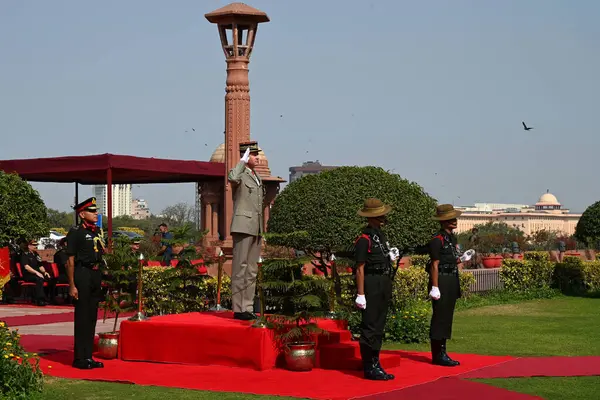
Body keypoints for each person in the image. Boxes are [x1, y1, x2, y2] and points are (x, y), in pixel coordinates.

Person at [354, 198, 399, 381]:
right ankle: (368, 366)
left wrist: (390, 257)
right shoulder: (364, 240)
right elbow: (360, 268)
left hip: (383, 280)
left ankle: (375, 360)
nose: (383, 219)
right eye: (379, 216)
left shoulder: (379, 236)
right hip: (371, 282)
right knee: (370, 325)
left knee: (379, 324)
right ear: (371, 218)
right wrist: (361, 293)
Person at [66, 197, 106, 370]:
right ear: (82, 214)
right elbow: (70, 260)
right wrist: (72, 284)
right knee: (82, 316)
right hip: (82, 273)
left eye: (96, 211)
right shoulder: (76, 232)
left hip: (95, 274)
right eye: (92, 211)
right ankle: (79, 358)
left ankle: (88, 356)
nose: (96, 213)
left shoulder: (97, 231)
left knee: (91, 316)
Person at [228, 141, 263, 321]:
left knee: (251, 269)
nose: (258, 158)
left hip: (256, 228)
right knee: (239, 268)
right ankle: (238, 307)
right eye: (254, 154)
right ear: (246, 155)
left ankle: (248, 306)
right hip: (242, 226)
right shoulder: (240, 174)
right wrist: (241, 161)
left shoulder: (257, 176)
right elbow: (232, 177)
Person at [428, 204, 463, 367]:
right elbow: (434, 264)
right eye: (450, 218)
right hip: (440, 278)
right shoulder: (437, 240)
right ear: (443, 221)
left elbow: (452, 259)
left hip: (451, 277)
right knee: (440, 317)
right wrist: (435, 286)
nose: (454, 221)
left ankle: (443, 351)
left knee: (447, 316)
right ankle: (437, 354)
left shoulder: (451, 239)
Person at [20, 239, 50, 306]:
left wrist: (45, 272)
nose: (36, 246)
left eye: (36, 245)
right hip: (28, 274)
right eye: (34, 245)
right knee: (39, 279)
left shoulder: (36, 254)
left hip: (37, 273)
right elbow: (26, 267)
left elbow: (40, 265)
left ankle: (49, 297)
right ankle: (40, 299)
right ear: (29, 246)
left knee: (50, 278)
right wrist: (36, 273)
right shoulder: (25, 254)